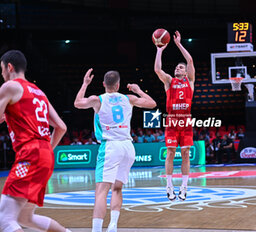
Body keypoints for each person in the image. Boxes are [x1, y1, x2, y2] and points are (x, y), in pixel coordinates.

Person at [74, 68, 156, 232]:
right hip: (127, 146)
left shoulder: (98, 100)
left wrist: (84, 84)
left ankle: (96, 230)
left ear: (104, 84)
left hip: (110, 146)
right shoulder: (129, 98)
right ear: (118, 85)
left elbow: (77, 103)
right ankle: (113, 225)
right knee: (117, 188)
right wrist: (138, 90)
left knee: (101, 191)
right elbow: (152, 103)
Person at [0, 50, 69, 232]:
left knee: (4, 219)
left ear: (9, 67)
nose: (1, 75)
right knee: (25, 217)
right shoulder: (39, 92)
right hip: (44, 154)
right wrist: (45, 150)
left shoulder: (10, 87)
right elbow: (61, 127)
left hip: (29, 153)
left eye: (1, 70)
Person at [154, 30, 195, 201]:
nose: (177, 68)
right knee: (170, 152)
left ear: (185, 72)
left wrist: (178, 44)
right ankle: (169, 186)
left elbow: (190, 60)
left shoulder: (189, 81)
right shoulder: (169, 81)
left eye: (181, 67)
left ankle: (184, 187)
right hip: (171, 121)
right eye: (176, 67)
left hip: (186, 122)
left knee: (185, 153)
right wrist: (159, 49)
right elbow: (157, 69)